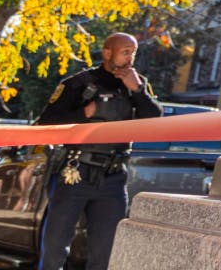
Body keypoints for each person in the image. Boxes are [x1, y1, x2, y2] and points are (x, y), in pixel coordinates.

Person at [35, 32, 161, 270]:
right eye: (125, 51)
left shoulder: (137, 84)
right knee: (54, 248)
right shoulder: (80, 83)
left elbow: (154, 122)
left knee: (105, 253)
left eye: (133, 52)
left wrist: (138, 91)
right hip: (75, 172)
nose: (130, 57)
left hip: (113, 178)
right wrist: (84, 114)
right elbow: (46, 123)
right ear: (107, 52)